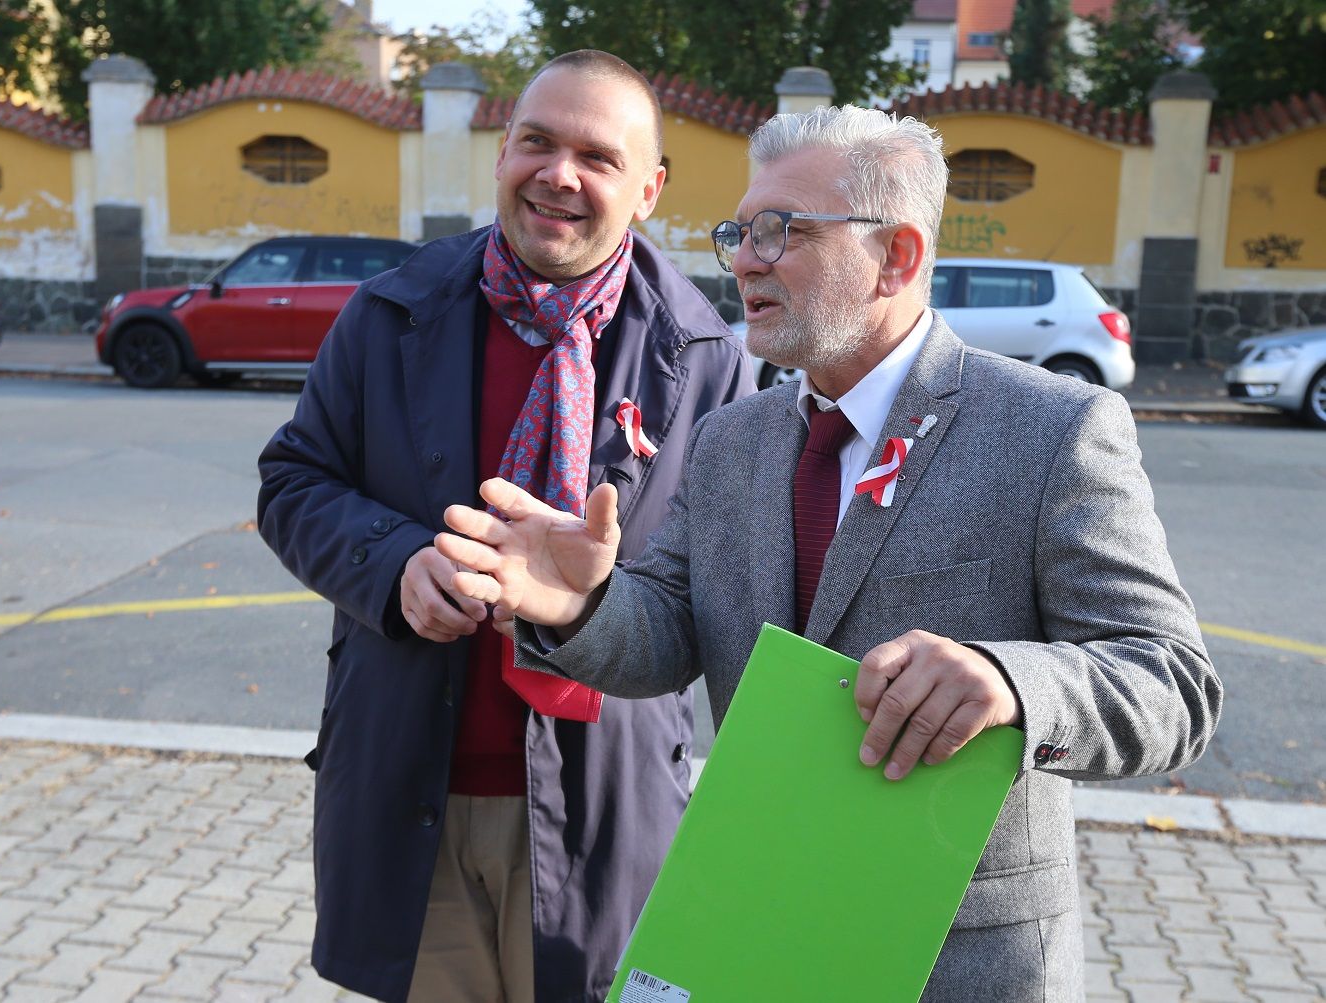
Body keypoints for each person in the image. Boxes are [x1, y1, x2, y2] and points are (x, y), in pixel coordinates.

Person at [436, 104, 1223, 1001]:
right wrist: (579, 602)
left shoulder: (1053, 429)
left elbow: (1173, 684)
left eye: (782, 231)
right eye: (741, 231)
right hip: (757, 919)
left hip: (956, 960)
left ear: (899, 257)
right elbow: (664, 638)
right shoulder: (732, 438)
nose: (744, 258)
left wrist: (1010, 682)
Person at [256, 50, 753, 1003]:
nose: (559, 174)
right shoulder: (390, 312)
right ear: (502, 155)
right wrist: (395, 563)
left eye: (597, 157)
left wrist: (594, 607)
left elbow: (728, 594)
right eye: (537, 141)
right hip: (412, 790)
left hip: (606, 805)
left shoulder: (707, 363)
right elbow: (293, 480)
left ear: (648, 190)